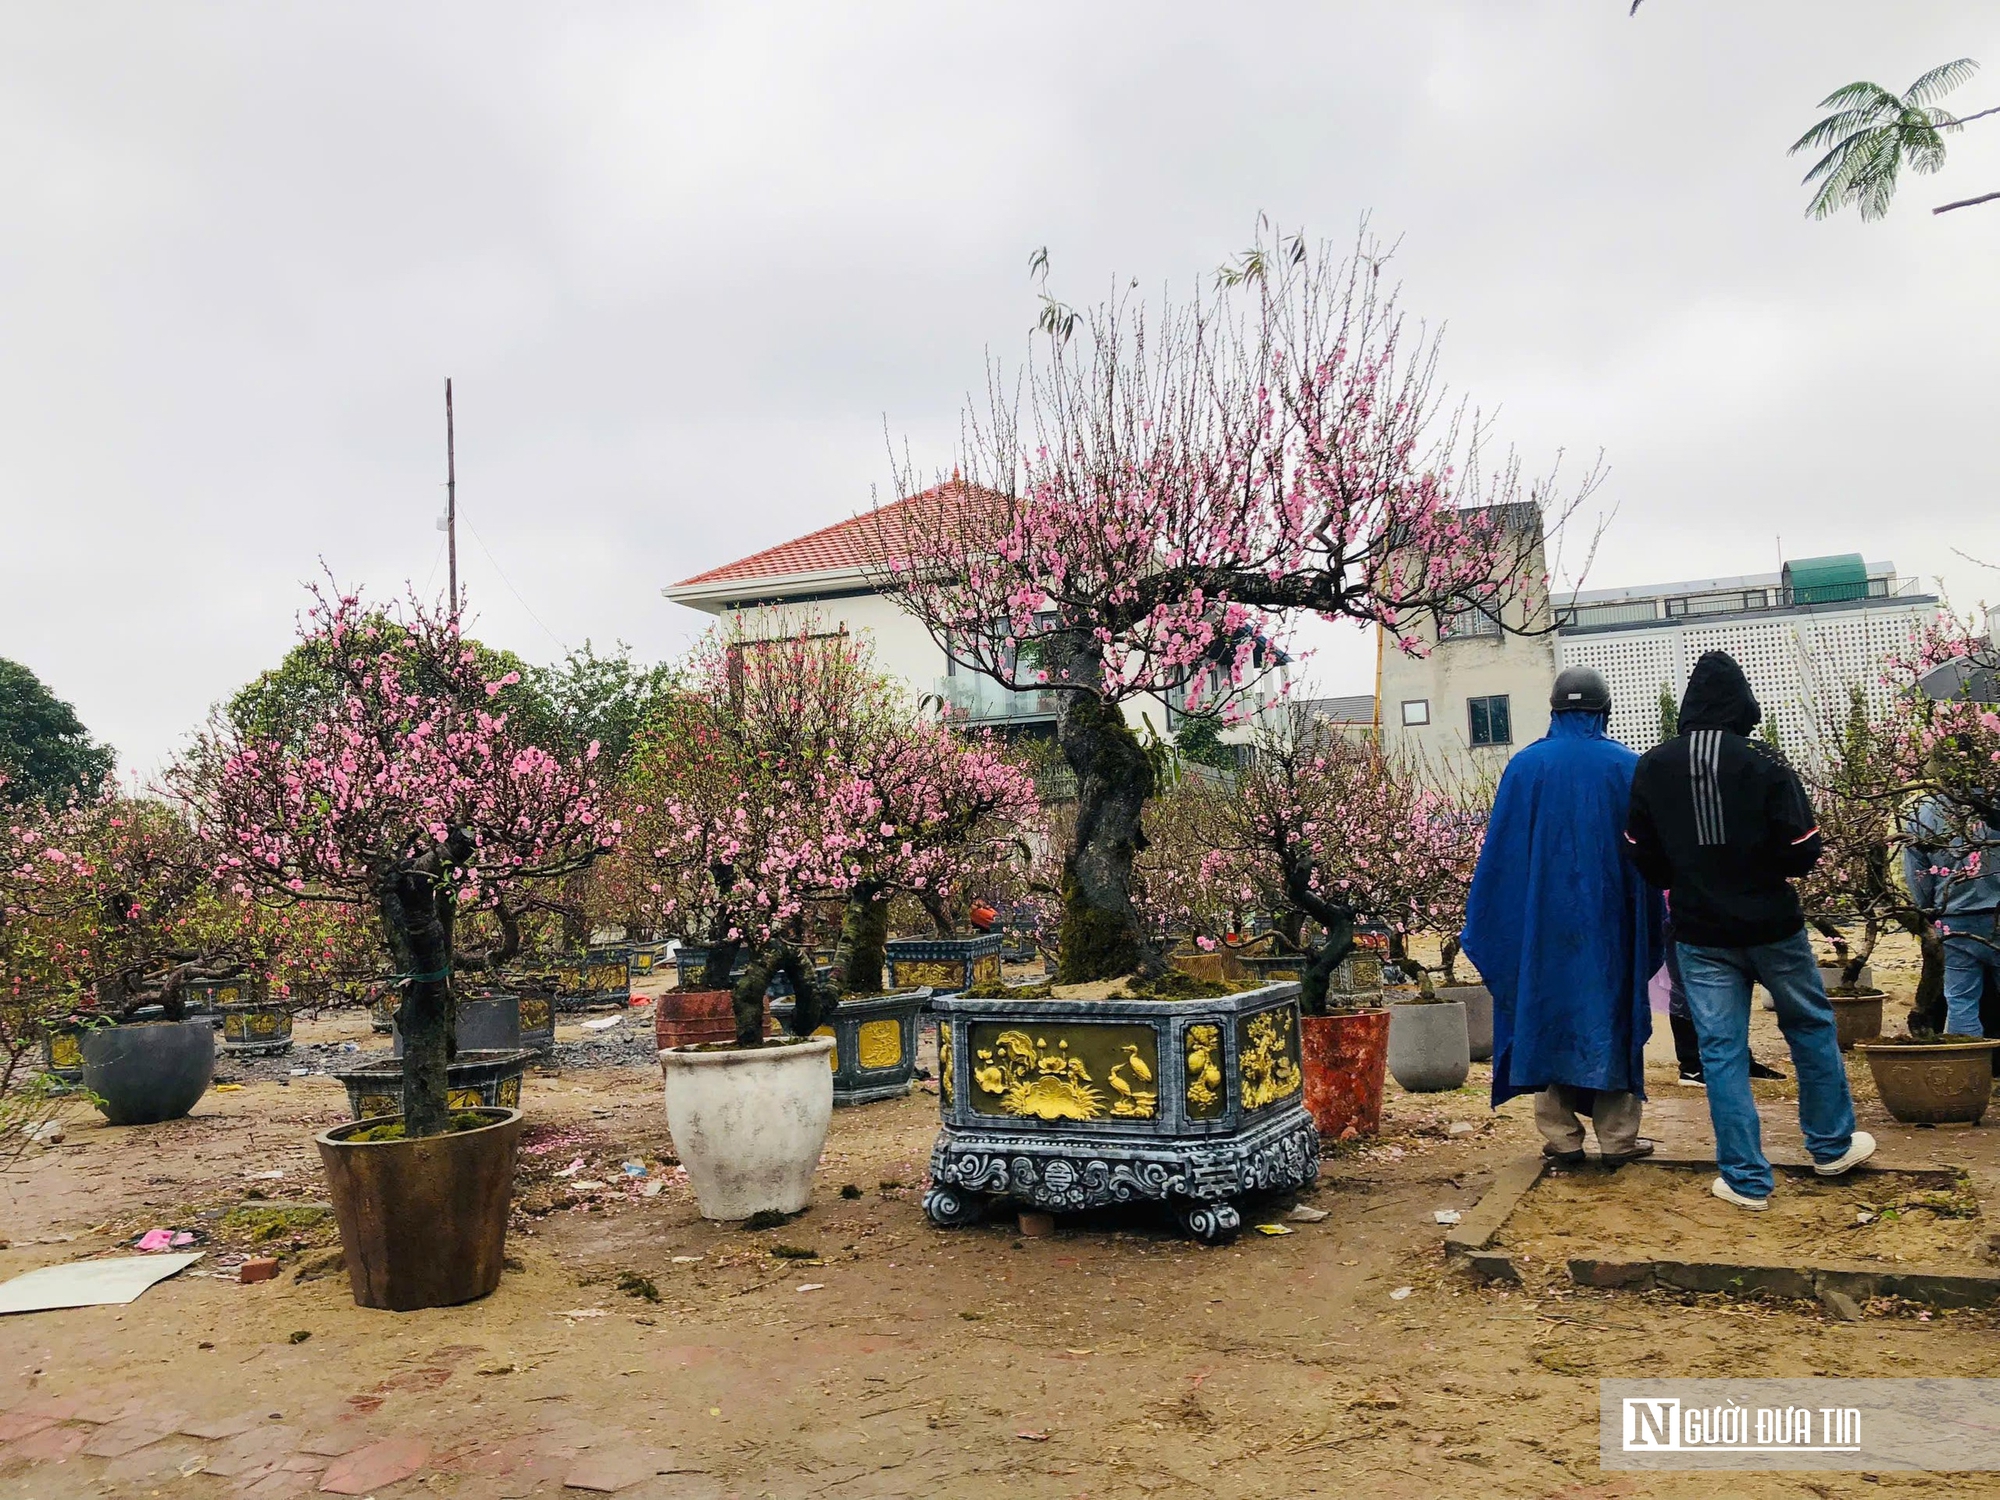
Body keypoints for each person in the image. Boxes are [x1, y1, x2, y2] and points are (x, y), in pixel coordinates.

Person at [1625, 650, 1874, 1211]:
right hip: (1773, 927)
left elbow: (1639, 851)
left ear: (1688, 706)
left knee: (1720, 1049)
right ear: (1744, 704)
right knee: (1809, 1027)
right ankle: (1831, 1145)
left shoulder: (1652, 766)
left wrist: (1684, 877)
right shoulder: (1766, 763)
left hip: (1700, 932)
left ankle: (1745, 1179)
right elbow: (1804, 850)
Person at [1463, 666, 1664, 1167]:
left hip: (1540, 928)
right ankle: (1618, 1138)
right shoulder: (1627, 766)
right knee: (1610, 1013)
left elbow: (1502, 861)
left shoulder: (1526, 767)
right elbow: (1649, 860)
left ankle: (1562, 1138)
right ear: (1605, 710)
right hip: (1609, 927)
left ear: (1554, 711)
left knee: (1544, 1010)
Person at [1902, 793, 2000, 1038]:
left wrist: (1928, 912)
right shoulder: (1993, 804)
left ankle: (1969, 1068)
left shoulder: (1923, 812)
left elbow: (1918, 875)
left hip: (1953, 919)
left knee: (1960, 1002)